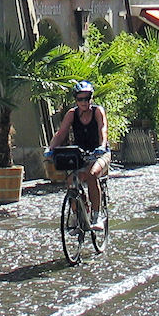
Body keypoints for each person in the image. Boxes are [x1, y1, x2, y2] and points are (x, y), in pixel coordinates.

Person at [49, 81, 110, 232]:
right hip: (80, 154)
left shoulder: (97, 111)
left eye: (87, 98)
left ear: (91, 98)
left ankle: (96, 216)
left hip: (99, 153)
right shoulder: (72, 114)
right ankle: (79, 215)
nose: (84, 102)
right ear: (76, 100)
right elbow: (61, 133)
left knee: (92, 174)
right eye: (80, 99)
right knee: (71, 181)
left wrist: (102, 146)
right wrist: (51, 149)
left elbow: (102, 129)